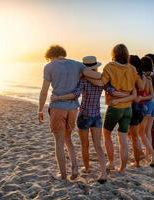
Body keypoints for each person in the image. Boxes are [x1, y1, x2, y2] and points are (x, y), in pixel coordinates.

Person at [51, 56, 129, 183]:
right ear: (96, 67)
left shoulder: (83, 80)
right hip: (97, 116)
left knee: (85, 145)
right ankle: (103, 174)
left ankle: (87, 168)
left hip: (84, 116)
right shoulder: (102, 80)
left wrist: (58, 98)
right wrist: (128, 95)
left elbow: (74, 94)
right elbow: (112, 91)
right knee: (98, 145)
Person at [38, 45, 100, 180]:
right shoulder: (77, 65)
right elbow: (95, 75)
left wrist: (40, 109)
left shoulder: (49, 67)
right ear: (63, 53)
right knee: (68, 138)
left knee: (59, 142)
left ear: (51, 56)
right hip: (73, 108)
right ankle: (75, 167)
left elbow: (44, 91)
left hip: (58, 107)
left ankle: (64, 175)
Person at [92, 44, 140, 173]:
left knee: (106, 134)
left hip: (114, 107)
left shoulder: (109, 67)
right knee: (123, 138)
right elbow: (139, 85)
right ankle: (122, 168)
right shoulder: (132, 68)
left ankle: (112, 163)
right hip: (128, 108)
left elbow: (102, 83)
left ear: (114, 54)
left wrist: (88, 77)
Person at [136, 56, 154, 166]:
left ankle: (152, 155)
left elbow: (147, 94)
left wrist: (141, 98)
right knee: (147, 132)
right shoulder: (151, 78)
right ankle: (148, 155)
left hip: (145, 106)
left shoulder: (144, 78)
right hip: (152, 106)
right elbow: (153, 94)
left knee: (141, 133)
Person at [127, 55, 145, 167]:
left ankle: (137, 161)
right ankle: (140, 153)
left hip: (133, 106)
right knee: (132, 134)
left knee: (134, 136)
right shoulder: (142, 75)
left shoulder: (132, 75)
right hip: (140, 106)